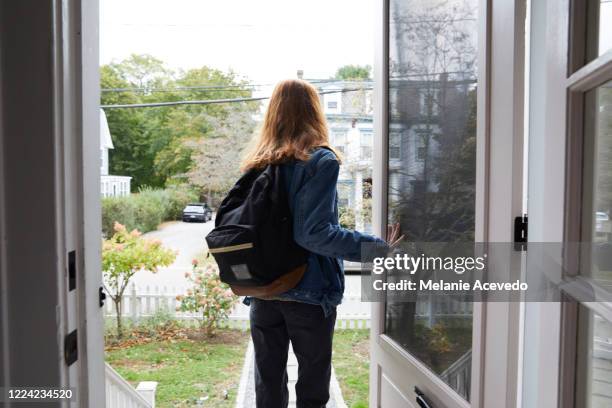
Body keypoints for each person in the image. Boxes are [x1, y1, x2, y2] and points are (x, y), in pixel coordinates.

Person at [240, 79, 403, 408]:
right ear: (314, 112)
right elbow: (313, 233)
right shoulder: (320, 161)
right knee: (312, 387)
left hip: (264, 290)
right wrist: (376, 248)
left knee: (268, 384)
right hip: (308, 292)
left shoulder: (257, 164)